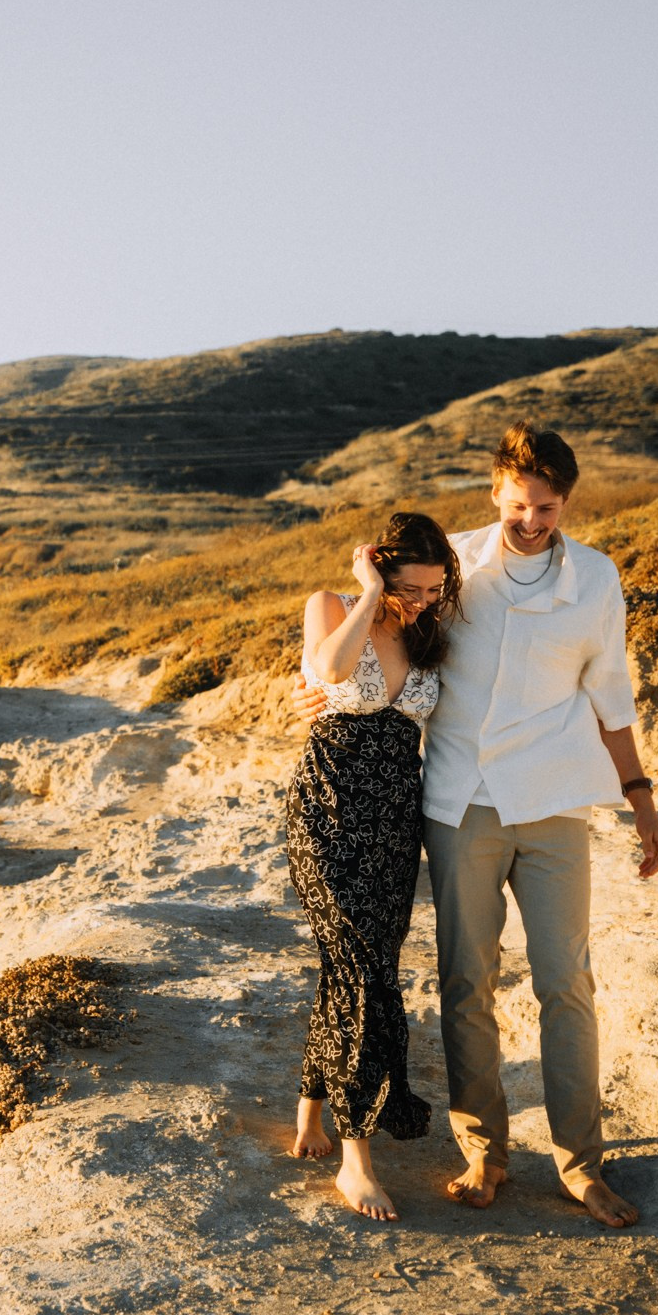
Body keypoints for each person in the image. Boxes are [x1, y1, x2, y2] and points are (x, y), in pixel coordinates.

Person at [298, 423, 658, 1229]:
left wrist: (641, 800)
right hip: (460, 803)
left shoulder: (598, 580)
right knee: (467, 982)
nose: (531, 519)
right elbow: (364, 638)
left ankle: (582, 1165)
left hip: (556, 803)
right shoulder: (451, 566)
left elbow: (612, 693)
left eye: (546, 507)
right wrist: (318, 697)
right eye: (518, 504)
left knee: (565, 982)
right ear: (495, 494)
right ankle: (484, 1154)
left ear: (565, 502)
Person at [285, 510, 461, 1221]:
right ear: (381, 569)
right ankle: (357, 1160)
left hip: (395, 819)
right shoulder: (331, 606)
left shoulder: (428, 631)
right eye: (409, 588)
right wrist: (367, 594)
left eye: (432, 590)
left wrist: (413, 606)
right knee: (361, 970)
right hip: (327, 810)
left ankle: (309, 1109)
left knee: (357, 966)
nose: (420, 601)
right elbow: (327, 670)